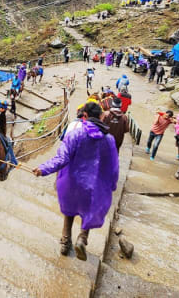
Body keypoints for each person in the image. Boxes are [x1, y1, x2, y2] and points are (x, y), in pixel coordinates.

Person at [34, 102, 119, 261]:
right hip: (94, 187)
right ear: (101, 117)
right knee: (89, 212)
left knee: (69, 212)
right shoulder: (109, 140)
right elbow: (114, 167)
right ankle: (82, 238)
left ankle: (65, 242)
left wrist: (43, 169)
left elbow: (62, 158)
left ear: (85, 116)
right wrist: (112, 186)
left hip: (71, 183)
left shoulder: (75, 135)